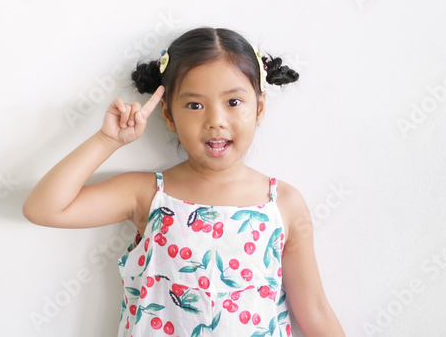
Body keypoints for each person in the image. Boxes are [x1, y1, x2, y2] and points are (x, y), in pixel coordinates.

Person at [23, 27, 345, 336]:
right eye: (194, 105)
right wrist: (108, 141)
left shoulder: (283, 204)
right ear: (168, 115)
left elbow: (315, 312)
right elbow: (44, 208)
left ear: (259, 108)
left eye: (233, 102)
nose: (215, 121)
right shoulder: (148, 194)